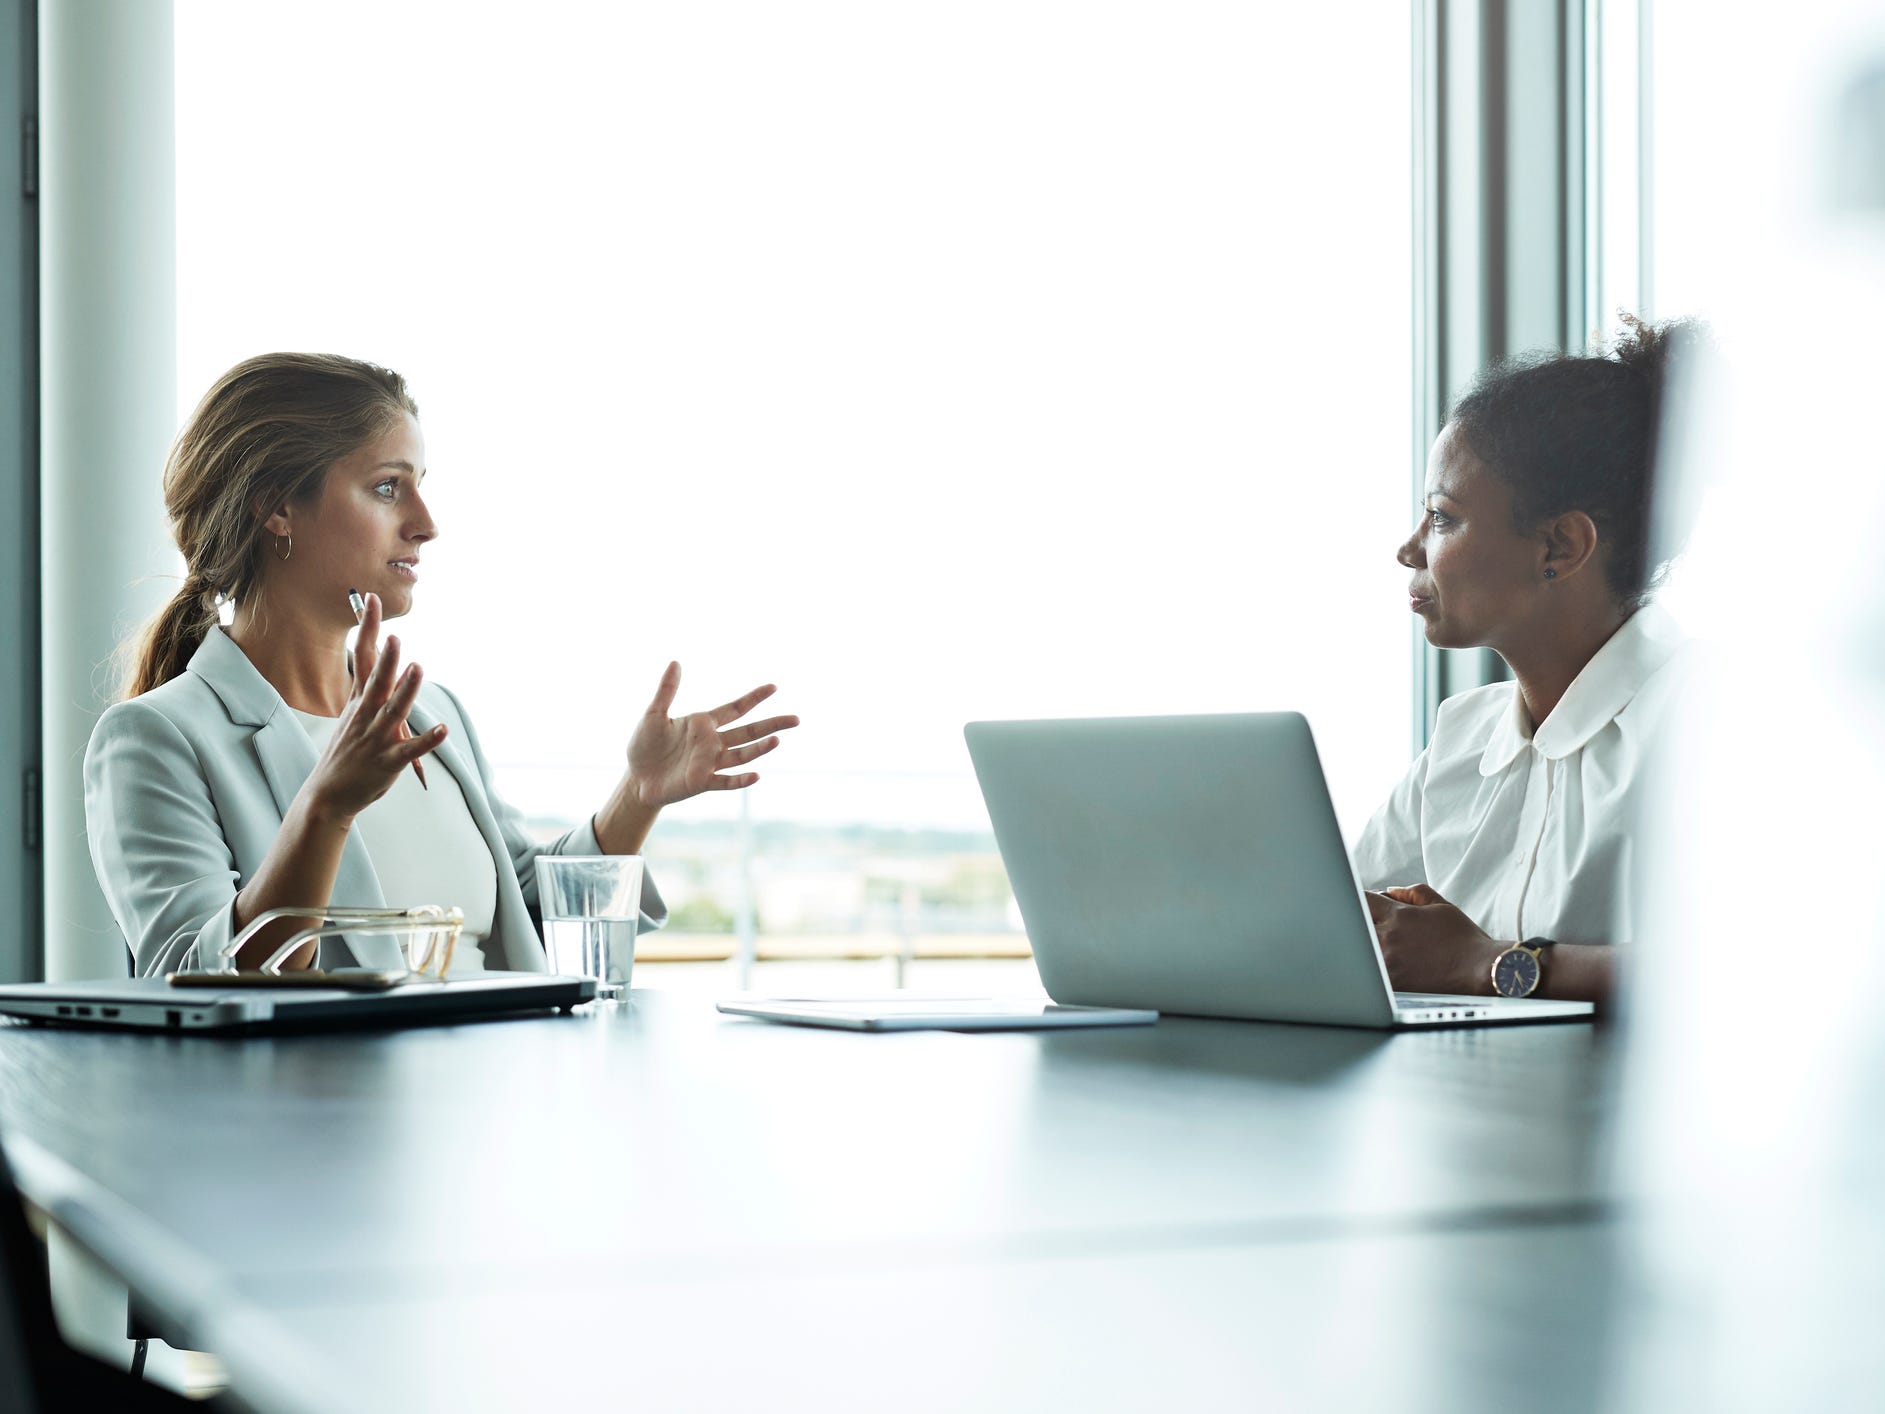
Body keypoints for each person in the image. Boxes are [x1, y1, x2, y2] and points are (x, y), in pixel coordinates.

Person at [85, 353, 798, 977]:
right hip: (320, 1124)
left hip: (498, 1097)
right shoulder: (156, 740)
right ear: (276, 508)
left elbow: (529, 913)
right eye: (389, 486)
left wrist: (637, 796)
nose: (426, 522)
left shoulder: (435, 714)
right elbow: (191, 980)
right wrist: (327, 806)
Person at [1354, 316, 1696, 1010]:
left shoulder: (1712, 716)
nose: (1409, 550)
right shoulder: (1462, 736)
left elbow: (1780, 969)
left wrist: (1486, 965)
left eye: (1442, 517)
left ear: (1560, 547)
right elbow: (1340, 921)